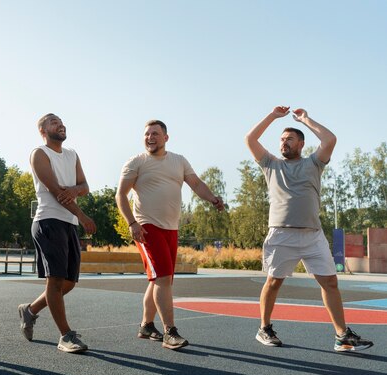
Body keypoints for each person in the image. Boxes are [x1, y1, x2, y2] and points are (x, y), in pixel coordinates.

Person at [246, 105, 373, 352]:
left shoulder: (314, 163)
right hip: (281, 233)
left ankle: (341, 335)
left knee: (330, 283)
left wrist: (305, 119)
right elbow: (250, 139)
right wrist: (272, 117)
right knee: (273, 282)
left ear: (301, 143)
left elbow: (330, 139)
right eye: (281, 139)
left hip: (313, 235)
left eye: (289, 139)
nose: (283, 143)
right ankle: (264, 328)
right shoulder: (270, 164)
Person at [116, 120, 225, 350]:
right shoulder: (136, 162)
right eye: (146, 134)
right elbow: (121, 195)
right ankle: (170, 332)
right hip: (146, 227)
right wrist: (132, 223)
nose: (150, 137)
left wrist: (213, 198)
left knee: (161, 279)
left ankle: (146, 325)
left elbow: (195, 183)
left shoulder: (179, 161)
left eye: (155, 133)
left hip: (171, 228)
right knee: (164, 279)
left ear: (166, 137)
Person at [17, 113, 97, 353]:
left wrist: (74, 189)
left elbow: (84, 186)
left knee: (69, 283)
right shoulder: (39, 153)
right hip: (48, 221)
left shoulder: (72, 155)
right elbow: (55, 191)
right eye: (53, 122)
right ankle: (65, 336)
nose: (60, 124)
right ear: (43, 131)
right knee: (55, 280)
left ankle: (29, 310)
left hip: (68, 223)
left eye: (61, 122)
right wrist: (82, 216)